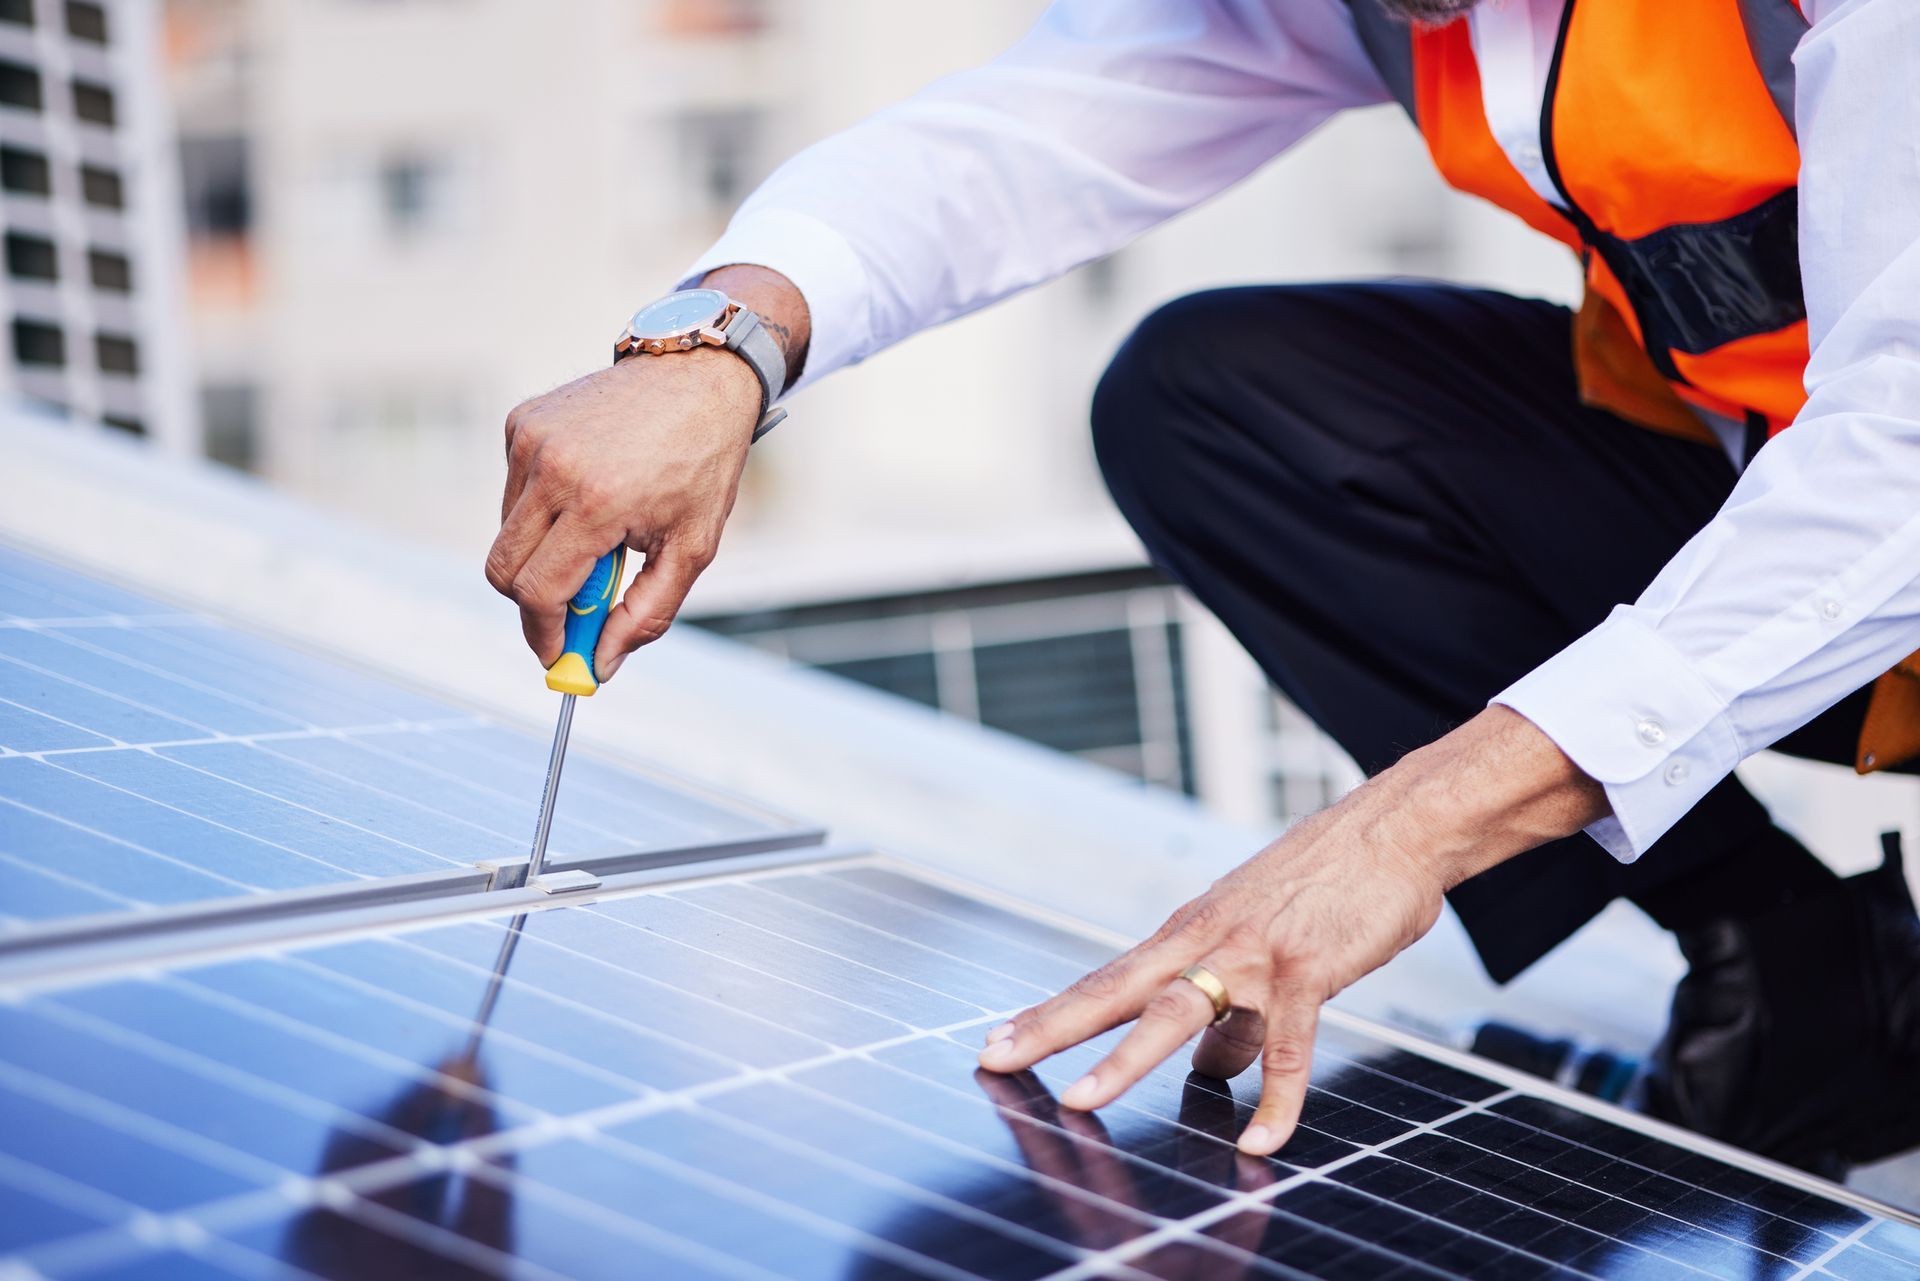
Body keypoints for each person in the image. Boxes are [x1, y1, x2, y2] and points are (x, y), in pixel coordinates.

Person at [484, 0, 1920, 1172]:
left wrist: (1408, 828)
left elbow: (1902, 464)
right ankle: (1806, 975)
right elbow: (1038, 130)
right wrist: (725, 342)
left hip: (1884, 521)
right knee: (1213, 406)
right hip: (1795, 538)